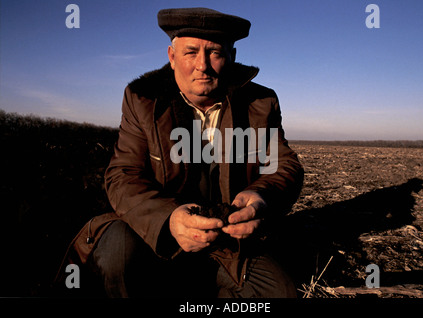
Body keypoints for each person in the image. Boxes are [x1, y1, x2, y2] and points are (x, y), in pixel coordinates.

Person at [66, 7, 304, 298]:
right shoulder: (142, 99)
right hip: (153, 237)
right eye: (191, 52)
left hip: (227, 242)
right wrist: (169, 220)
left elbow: (283, 167)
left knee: (280, 292)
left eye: (215, 52)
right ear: (172, 56)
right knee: (118, 252)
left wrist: (261, 197)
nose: (202, 65)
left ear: (232, 56)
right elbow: (122, 174)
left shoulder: (261, 102)